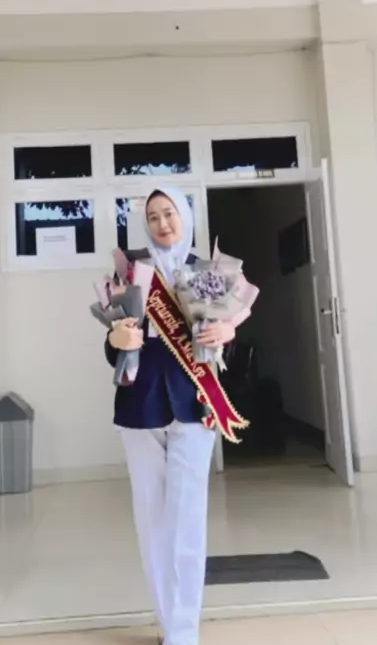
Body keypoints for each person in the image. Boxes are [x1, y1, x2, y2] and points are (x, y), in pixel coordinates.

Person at [105, 186, 235, 645]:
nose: (162, 223)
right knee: (151, 521)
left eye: (169, 213)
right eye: (154, 216)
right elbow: (115, 345)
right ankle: (166, 622)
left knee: (187, 521)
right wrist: (116, 341)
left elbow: (218, 349)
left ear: (184, 216)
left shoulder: (204, 271)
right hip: (139, 408)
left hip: (193, 406)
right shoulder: (130, 272)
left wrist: (226, 333)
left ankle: (183, 633)